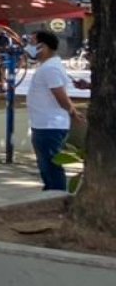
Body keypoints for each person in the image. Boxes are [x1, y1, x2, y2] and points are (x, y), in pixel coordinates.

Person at [25, 30, 82, 190]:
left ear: (43, 46)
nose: (29, 46)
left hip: (50, 125)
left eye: (32, 42)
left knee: (51, 165)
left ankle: (57, 194)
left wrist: (73, 112)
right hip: (43, 124)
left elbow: (60, 95)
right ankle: (51, 191)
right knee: (45, 165)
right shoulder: (47, 66)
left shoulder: (50, 69)